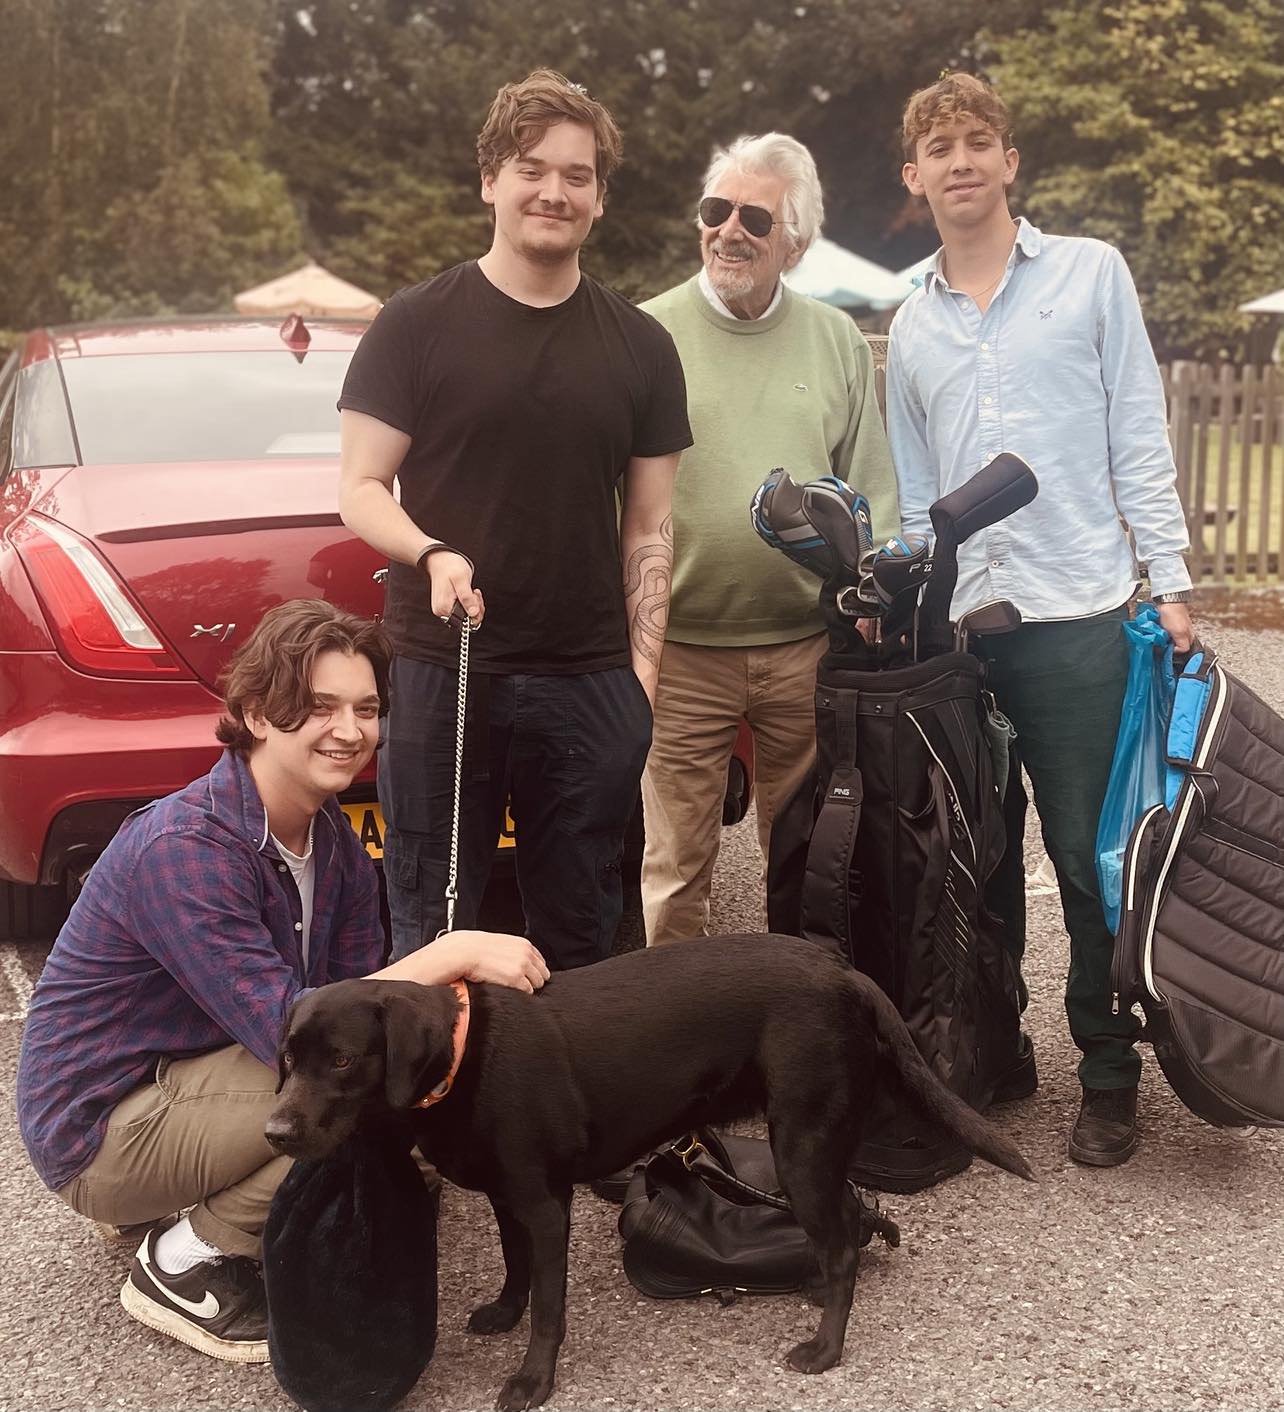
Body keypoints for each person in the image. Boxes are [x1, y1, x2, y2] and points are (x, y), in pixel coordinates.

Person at [15, 600, 548, 1363]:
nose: (350, 729)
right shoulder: (186, 848)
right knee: (356, 1108)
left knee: (388, 1091)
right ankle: (187, 1257)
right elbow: (284, 1025)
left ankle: (190, 1194)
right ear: (258, 714)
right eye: (321, 706)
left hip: (188, 1082)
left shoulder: (329, 839)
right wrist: (454, 950)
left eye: (366, 708)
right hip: (99, 1131)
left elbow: (356, 1017)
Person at [886, 72, 1196, 1167]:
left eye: (980, 141)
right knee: (973, 860)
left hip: (1076, 618)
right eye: (940, 146)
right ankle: (995, 1049)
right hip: (967, 636)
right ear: (913, 175)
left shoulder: (1090, 275)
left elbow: (1137, 437)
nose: (961, 159)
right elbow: (914, 489)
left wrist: (1173, 579)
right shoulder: (909, 322)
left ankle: (1109, 1070)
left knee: (1086, 854)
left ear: (1011, 161)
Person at [338, 70, 691, 968]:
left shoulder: (641, 346)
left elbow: (650, 525)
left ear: (600, 198)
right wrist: (431, 552)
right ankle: (441, 1103)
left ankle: (578, 1109)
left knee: (583, 937)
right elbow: (362, 487)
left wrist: (638, 685)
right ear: (490, 178)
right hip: (444, 672)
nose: (554, 192)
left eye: (577, 176)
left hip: (589, 682)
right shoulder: (414, 327)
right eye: (533, 169)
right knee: (431, 916)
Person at [638, 133, 899, 945]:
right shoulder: (646, 336)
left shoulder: (835, 341)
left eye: (757, 216)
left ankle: (801, 1034)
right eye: (717, 211)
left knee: (812, 858)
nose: (731, 230)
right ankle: (678, 1057)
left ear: (798, 242)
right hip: (679, 654)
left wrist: (877, 599)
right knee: (676, 869)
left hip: (806, 651)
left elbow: (873, 489)